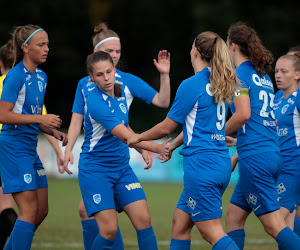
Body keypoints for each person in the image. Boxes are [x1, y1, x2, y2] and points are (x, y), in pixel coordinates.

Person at [128, 31, 240, 249]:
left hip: (202, 167)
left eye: (191, 47)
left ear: (196, 51)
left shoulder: (192, 84)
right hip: (218, 163)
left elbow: (166, 127)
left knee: (212, 232)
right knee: (180, 224)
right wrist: (172, 146)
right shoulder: (220, 81)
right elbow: (195, 127)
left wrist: (137, 136)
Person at [63, 22, 171, 250]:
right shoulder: (89, 93)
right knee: (108, 229)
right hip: (97, 168)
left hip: (121, 166)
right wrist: (154, 147)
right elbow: (79, 121)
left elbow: (161, 102)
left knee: (143, 220)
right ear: (93, 70)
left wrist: (164, 75)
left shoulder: (125, 81)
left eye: (117, 52)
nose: (113, 57)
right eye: (109, 52)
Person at [224, 22, 300, 250]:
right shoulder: (263, 77)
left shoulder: (239, 75)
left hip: (258, 159)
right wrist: (239, 152)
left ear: (233, 46)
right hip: (264, 154)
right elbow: (262, 123)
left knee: (274, 226)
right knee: (233, 217)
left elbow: (243, 114)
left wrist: (215, 134)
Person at [0, 24, 67, 250]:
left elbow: (31, 115)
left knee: (41, 211)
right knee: (28, 212)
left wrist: (52, 131)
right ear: (26, 47)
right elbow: (3, 115)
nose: (47, 48)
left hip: (30, 149)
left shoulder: (41, 77)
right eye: (41, 44)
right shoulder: (15, 76)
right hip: (14, 148)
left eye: (47, 44)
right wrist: (40, 120)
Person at [274, 53, 300, 230]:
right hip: (278, 166)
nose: (278, 75)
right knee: (286, 225)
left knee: (277, 223)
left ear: (297, 74)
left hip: (294, 166)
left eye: (284, 71)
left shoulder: (298, 97)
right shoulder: (276, 98)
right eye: (276, 71)